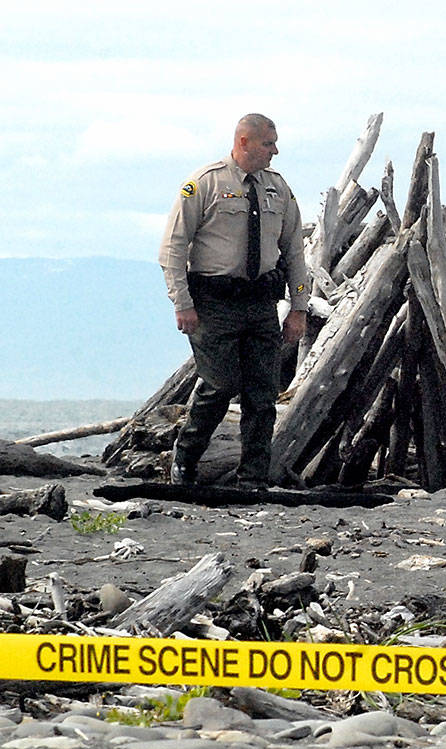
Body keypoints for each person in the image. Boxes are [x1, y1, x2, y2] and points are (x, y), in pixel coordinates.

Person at [159, 113, 309, 490]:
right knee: (220, 385)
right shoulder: (203, 185)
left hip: (260, 304)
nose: (275, 151)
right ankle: (185, 460)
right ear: (244, 142)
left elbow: (294, 251)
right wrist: (182, 303)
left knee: (262, 393)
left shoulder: (278, 189)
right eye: (268, 143)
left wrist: (300, 307)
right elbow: (173, 248)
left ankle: (253, 478)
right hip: (214, 304)